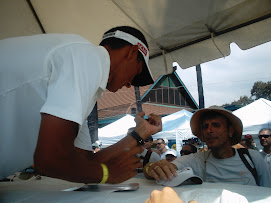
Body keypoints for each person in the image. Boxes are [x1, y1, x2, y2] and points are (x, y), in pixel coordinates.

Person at [0, 26, 163, 183]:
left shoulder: (85, 76)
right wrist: (107, 175)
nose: (130, 84)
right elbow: (50, 160)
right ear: (132, 52)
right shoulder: (87, 57)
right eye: (137, 74)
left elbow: (86, 162)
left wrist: (138, 134)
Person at [144, 106, 271, 187]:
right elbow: (157, 168)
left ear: (230, 131)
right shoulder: (197, 159)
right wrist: (152, 168)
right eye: (205, 126)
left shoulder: (251, 158)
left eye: (216, 125)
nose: (209, 130)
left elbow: (267, 193)